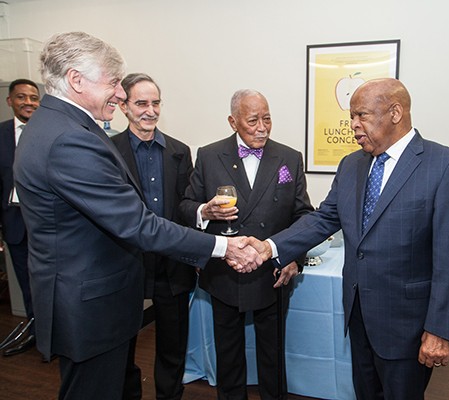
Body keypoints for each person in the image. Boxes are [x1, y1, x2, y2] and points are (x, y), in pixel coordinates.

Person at [12, 31, 262, 400]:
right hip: (90, 304)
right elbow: (136, 223)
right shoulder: (69, 138)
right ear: (76, 80)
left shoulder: (56, 125)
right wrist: (224, 248)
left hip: (91, 297)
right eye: (113, 82)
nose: (118, 92)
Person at [250, 78, 449, 400]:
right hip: (359, 317)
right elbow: (323, 218)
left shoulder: (446, 167)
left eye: (361, 116)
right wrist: (270, 247)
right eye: (351, 118)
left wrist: (440, 330)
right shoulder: (352, 164)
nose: (353, 125)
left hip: (407, 326)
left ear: (395, 112)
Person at [179, 89, 313, 399]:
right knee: (229, 355)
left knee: (272, 355)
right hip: (224, 273)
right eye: (253, 120)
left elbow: (304, 216)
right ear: (233, 121)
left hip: (273, 273)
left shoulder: (289, 158)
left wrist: (293, 257)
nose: (262, 127)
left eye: (267, 119)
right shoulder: (210, 155)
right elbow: (185, 205)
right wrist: (204, 210)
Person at [112, 73, 195, 400]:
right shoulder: (107, 150)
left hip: (172, 265)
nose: (150, 110)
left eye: (155, 102)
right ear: (124, 107)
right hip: (126, 263)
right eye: (141, 103)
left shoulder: (179, 151)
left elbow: (185, 208)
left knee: (173, 345)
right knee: (123, 344)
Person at [0, 79, 40, 357]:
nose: (28, 102)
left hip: (46, 224)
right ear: (10, 101)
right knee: (27, 284)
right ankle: (37, 335)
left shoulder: (46, 132)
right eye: (22, 97)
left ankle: (58, 336)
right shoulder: (1, 135)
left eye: (34, 98)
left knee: (51, 284)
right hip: (14, 223)